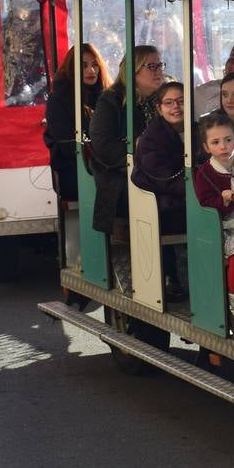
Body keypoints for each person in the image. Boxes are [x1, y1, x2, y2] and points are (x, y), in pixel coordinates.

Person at [89, 47, 158, 290]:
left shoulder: (164, 98)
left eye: (160, 66)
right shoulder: (112, 100)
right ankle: (138, 272)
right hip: (119, 175)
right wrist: (136, 149)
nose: (158, 72)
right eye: (152, 67)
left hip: (159, 172)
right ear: (133, 71)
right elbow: (103, 146)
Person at [193, 113, 234, 342]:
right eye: (216, 142)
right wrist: (223, 201)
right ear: (206, 146)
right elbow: (204, 205)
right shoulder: (204, 173)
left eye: (228, 140)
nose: (223, 146)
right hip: (225, 228)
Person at [132, 81, 188, 300]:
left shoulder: (198, 129)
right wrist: (195, 190)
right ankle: (176, 278)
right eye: (169, 102)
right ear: (159, 108)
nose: (176, 107)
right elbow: (163, 178)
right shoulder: (152, 138)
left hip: (184, 199)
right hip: (165, 205)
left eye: (181, 101)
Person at [43, 44, 109, 201]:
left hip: (106, 162)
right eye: (84, 65)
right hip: (73, 166)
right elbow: (68, 146)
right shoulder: (59, 99)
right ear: (72, 68)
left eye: (95, 65)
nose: (91, 71)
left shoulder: (108, 96)